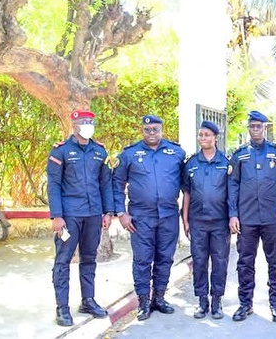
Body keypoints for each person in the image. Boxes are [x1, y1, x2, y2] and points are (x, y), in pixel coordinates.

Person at [112, 115, 186, 321]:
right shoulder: (129, 154)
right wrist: (121, 213)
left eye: (155, 129)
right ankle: (144, 302)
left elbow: (187, 185)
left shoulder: (177, 153)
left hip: (169, 215)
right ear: (142, 130)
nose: (151, 133)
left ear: (162, 129)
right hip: (140, 217)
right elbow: (116, 184)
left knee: (165, 258)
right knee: (143, 260)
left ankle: (159, 298)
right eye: (147, 130)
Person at [46, 109, 114, 326]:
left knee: (89, 259)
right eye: (84, 121)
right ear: (74, 125)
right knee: (63, 261)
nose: (88, 125)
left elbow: (105, 183)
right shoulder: (61, 151)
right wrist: (57, 216)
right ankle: (62, 308)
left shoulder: (99, 151)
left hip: (93, 214)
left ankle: (88, 300)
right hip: (70, 216)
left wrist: (108, 211)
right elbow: (54, 184)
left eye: (90, 121)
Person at [228, 110, 276, 323]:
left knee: (275, 262)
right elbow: (232, 185)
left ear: (265, 128)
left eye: (259, 126)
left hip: (271, 218)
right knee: (245, 262)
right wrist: (232, 214)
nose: (256, 130)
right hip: (246, 219)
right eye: (252, 126)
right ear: (248, 129)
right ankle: (245, 304)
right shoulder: (239, 155)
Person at [181, 121, 230, 320]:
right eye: (200, 135)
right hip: (197, 221)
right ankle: (202, 300)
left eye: (207, 135)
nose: (203, 138)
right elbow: (186, 193)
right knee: (199, 262)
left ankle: (217, 301)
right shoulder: (191, 163)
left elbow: (231, 194)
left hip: (220, 222)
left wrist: (233, 218)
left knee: (219, 262)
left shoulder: (226, 163)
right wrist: (185, 220)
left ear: (215, 138)